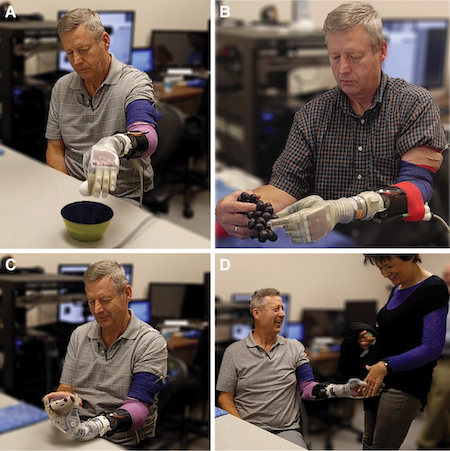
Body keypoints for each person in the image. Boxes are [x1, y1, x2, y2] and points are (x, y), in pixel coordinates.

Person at [215, 2, 448, 247]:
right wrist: (239, 206)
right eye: (334, 57)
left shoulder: (414, 104)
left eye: (354, 57)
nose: (343, 68)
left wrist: (346, 208)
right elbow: (286, 185)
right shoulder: (312, 115)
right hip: (336, 244)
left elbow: (417, 187)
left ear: (381, 51)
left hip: (399, 247)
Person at [216, 288, 380, 448]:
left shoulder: (294, 347)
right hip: (248, 427)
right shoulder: (233, 352)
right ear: (257, 314)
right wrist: (242, 429)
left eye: (282, 308)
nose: (282, 313)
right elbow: (225, 398)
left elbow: (308, 388)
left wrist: (344, 390)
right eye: (276, 309)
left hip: (285, 430)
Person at [42, 261, 167, 446]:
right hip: (79, 434)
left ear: (127, 294)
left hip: (123, 439)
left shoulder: (151, 342)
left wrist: (95, 426)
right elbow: (66, 388)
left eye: (105, 300)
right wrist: (61, 402)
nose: (97, 309)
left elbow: (138, 407)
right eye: (92, 301)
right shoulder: (79, 335)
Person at [46, 8, 159, 200]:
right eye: (70, 53)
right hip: (72, 188)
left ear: (105, 41)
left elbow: (148, 137)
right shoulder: (61, 88)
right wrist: (63, 191)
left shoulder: (134, 82)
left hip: (121, 193)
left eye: (83, 50)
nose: (76, 61)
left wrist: (116, 143)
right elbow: (55, 147)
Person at [358, 255, 448, 449]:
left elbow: (432, 347)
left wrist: (387, 365)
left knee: (382, 446)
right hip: (379, 376)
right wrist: (374, 337)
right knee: (368, 441)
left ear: (412, 256)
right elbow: (399, 332)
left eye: (389, 266)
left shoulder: (433, 289)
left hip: (407, 381)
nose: (384, 274)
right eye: (380, 269)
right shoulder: (396, 288)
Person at [417, 262, 450, 449]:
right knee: (432, 401)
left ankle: (425, 443)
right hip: (432, 357)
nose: (447, 278)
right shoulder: (440, 299)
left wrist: (432, 336)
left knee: (439, 397)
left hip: (447, 360)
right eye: (445, 274)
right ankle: (446, 435)